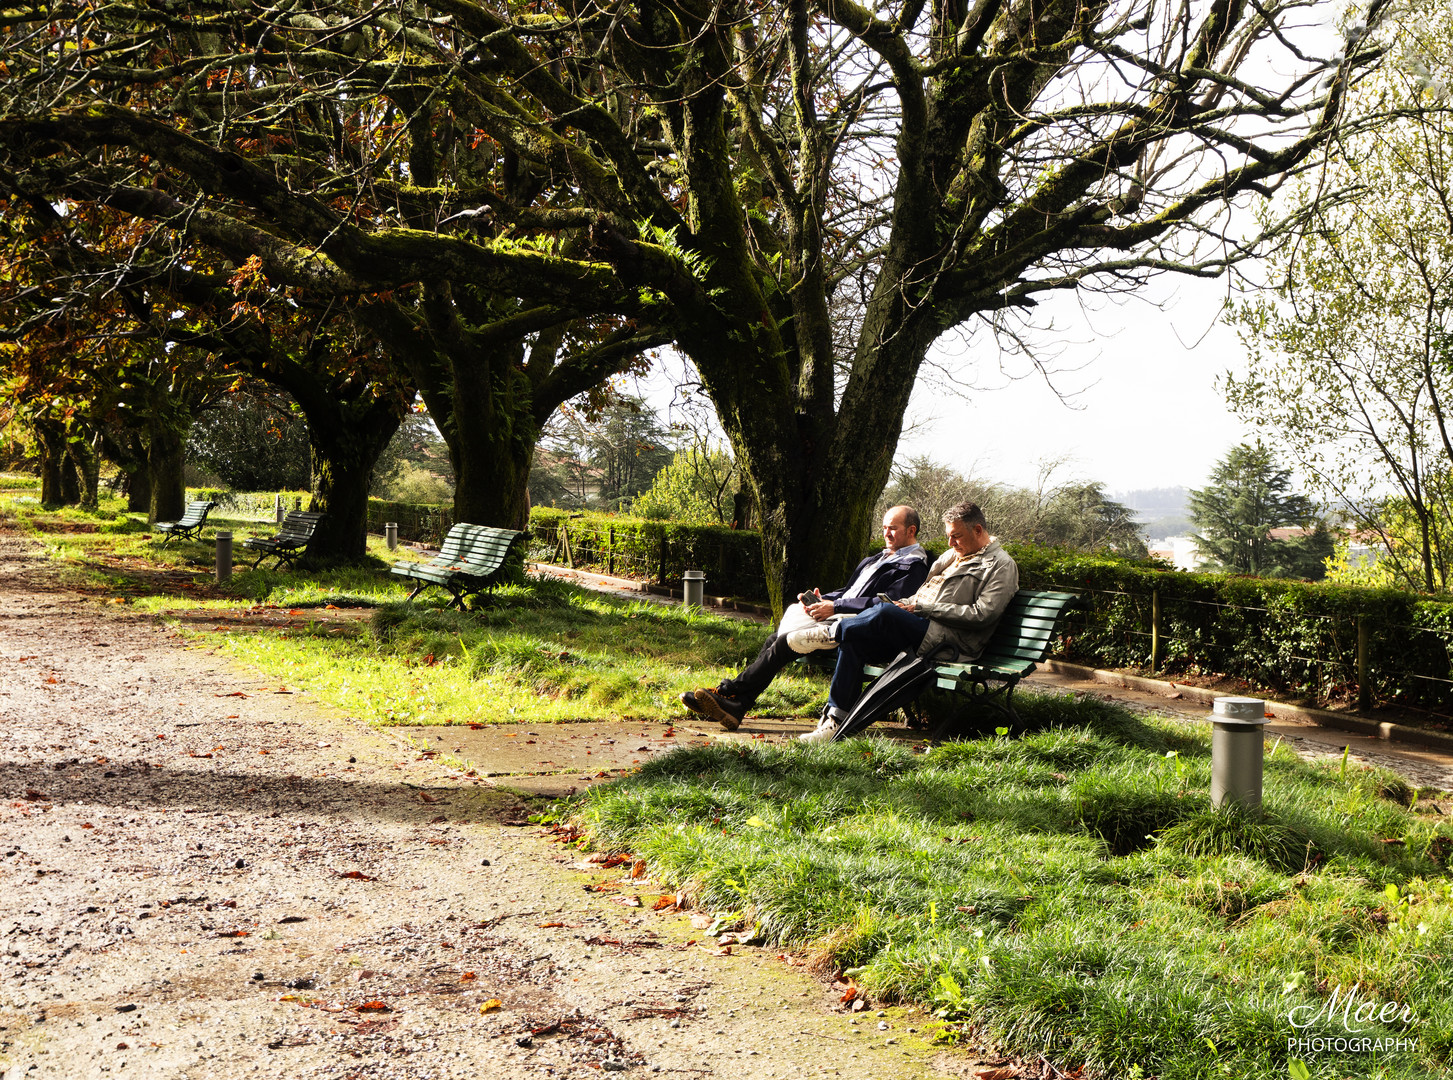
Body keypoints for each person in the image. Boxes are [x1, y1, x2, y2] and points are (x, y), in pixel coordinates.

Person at [680, 505, 931, 730]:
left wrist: (836, 606)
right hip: (838, 616)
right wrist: (825, 599)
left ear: (911, 530)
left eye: (893, 529)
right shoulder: (876, 558)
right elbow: (849, 591)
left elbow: (886, 604)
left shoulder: (914, 566)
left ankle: (729, 693)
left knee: (782, 643)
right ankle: (737, 705)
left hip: (858, 630)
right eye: (885, 527)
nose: (887, 533)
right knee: (774, 639)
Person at [799, 501, 1018, 743]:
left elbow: (982, 614)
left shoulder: (1001, 565)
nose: (950, 543)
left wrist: (923, 608)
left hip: (949, 641)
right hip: (919, 627)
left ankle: (832, 632)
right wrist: (906, 603)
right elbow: (922, 595)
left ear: (978, 530)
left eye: (956, 536)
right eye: (948, 536)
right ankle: (835, 722)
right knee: (856, 640)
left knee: (884, 613)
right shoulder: (952, 555)